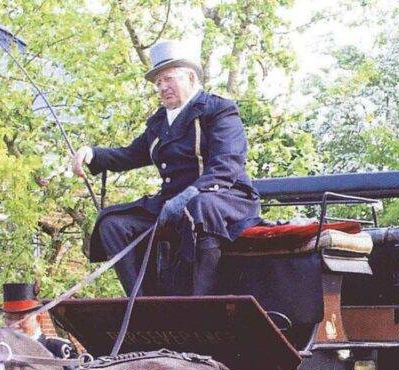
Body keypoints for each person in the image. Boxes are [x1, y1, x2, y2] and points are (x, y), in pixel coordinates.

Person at [71, 40, 261, 296]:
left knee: (198, 208)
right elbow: (129, 155)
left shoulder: (218, 110)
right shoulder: (159, 123)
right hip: (172, 203)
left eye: (168, 79)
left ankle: (201, 303)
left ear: (191, 77)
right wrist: (92, 154)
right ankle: (143, 302)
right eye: (158, 82)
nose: (162, 87)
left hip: (224, 198)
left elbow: (226, 165)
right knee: (112, 222)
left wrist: (189, 196)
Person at [0, 282, 77, 359]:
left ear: (38, 319)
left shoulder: (57, 348)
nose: (14, 324)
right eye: (9, 318)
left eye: (21, 318)